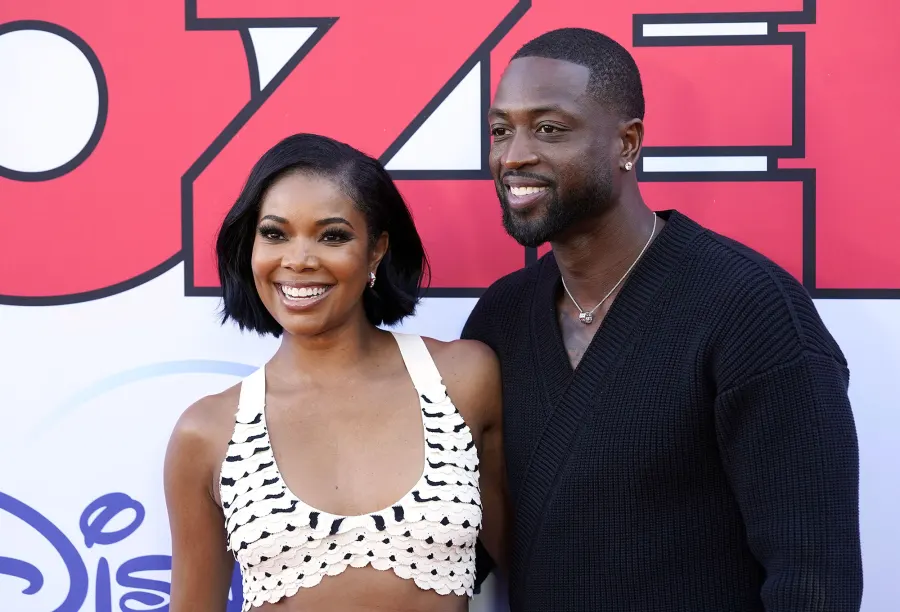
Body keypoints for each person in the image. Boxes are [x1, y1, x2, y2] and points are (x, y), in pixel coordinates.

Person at [462, 27, 863, 612]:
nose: (513, 155)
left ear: (627, 143)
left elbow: (813, 578)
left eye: (548, 129)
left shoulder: (750, 309)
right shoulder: (501, 316)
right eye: (501, 131)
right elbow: (462, 538)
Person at [164, 133, 508, 611]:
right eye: (275, 234)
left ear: (376, 250)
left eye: (332, 236)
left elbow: (537, 570)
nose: (298, 260)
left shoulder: (465, 379)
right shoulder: (206, 432)